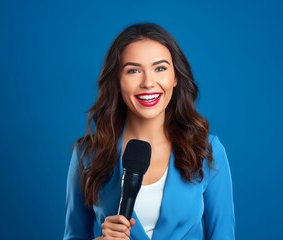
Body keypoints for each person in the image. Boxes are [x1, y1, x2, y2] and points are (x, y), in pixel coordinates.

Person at [63, 23, 235, 240]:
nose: (148, 83)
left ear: (175, 77)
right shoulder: (87, 154)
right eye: (133, 70)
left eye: (160, 68)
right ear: (117, 81)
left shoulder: (207, 150)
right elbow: (73, 234)